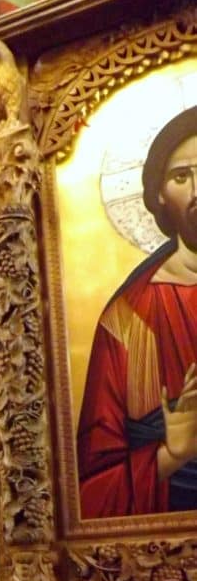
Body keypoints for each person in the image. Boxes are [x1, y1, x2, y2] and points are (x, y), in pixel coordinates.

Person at [77, 105, 197, 518]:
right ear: (159, 194)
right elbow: (87, 493)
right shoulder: (129, 319)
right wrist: (171, 455)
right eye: (181, 177)